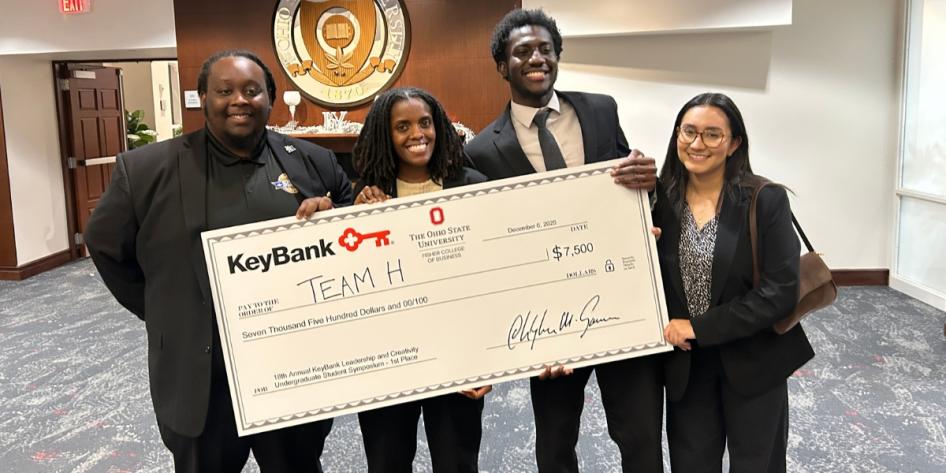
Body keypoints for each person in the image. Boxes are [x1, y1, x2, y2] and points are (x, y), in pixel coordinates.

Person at [84, 50, 353, 473]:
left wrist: (333, 221)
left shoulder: (313, 163)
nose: (239, 100)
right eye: (224, 91)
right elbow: (105, 247)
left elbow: (354, 237)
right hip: (200, 375)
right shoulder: (146, 170)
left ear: (271, 98)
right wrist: (163, 307)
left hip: (291, 366)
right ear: (203, 98)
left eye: (252, 90)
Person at [464, 8, 663, 473]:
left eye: (545, 49)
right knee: (555, 442)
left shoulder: (600, 109)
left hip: (621, 303)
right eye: (522, 52)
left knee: (639, 435)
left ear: (557, 56)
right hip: (548, 320)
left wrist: (647, 179)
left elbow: (627, 185)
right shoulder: (481, 150)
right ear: (502, 66)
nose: (537, 58)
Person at [654, 92, 815, 472]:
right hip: (687, 369)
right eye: (688, 132)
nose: (697, 144)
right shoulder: (659, 200)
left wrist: (698, 327)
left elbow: (777, 294)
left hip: (753, 362)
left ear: (734, 143)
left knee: (757, 464)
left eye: (712, 135)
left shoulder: (765, 199)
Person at [350, 86, 489, 473]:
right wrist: (355, 218)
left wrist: (489, 359)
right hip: (389, 361)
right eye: (403, 126)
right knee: (387, 462)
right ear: (385, 135)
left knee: (458, 463)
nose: (418, 134)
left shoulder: (472, 187)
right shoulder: (366, 197)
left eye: (425, 122)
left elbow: (491, 279)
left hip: (457, 357)